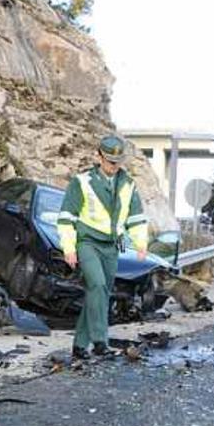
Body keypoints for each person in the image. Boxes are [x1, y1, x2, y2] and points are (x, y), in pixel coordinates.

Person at [56, 135, 149, 360]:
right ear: (98, 157)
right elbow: (66, 217)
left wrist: (140, 243)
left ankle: (79, 345)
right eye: (109, 161)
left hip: (112, 246)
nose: (113, 166)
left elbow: (136, 217)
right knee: (97, 285)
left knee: (100, 294)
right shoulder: (82, 182)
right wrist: (68, 247)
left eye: (117, 162)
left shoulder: (128, 184)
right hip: (87, 243)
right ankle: (100, 341)